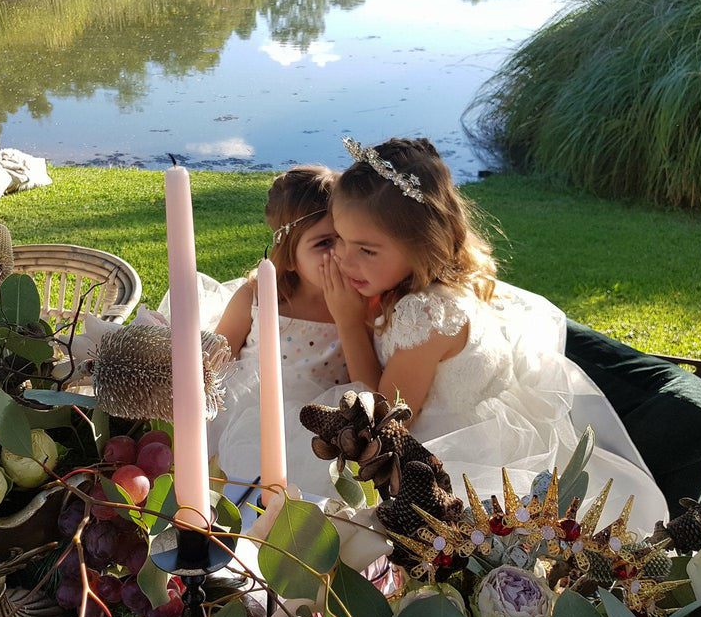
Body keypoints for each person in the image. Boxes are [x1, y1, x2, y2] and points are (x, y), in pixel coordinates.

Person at [319, 137, 668, 533]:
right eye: (339, 240)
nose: (345, 260)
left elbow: (383, 417)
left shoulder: (425, 314)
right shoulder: (434, 282)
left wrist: (348, 321)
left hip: (461, 453)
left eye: (366, 250)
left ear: (422, 244)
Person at [160, 166, 351, 497]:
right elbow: (213, 362)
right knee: (235, 489)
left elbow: (366, 386)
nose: (341, 253)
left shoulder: (358, 304)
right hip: (249, 416)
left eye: (348, 239)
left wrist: (349, 316)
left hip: (323, 431)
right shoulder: (257, 298)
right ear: (289, 256)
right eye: (324, 243)